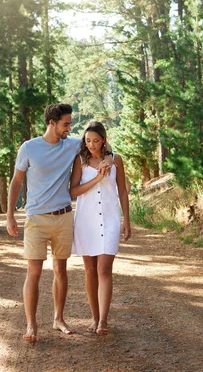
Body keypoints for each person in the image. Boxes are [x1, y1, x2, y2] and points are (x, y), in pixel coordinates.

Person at [6, 103, 112, 343]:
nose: (69, 128)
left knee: (60, 270)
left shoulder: (72, 144)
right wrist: (10, 215)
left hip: (64, 216)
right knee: (33, 272)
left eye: (70, 124)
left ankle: (58, 319)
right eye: (65, 124)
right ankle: (31, 324)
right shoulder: (29, 148)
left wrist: (108, 159)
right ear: (52, 123)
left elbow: (99, 144)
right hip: (36, 219)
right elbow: (16, 182)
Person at [70, 121, 131, 335]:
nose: (92, 145)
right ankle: (94, 318)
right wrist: (97, 178)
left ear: (104, 140)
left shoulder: (115, 160)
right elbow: (73, 191)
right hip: (86, 221)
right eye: (87, 141)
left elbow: (122, 191)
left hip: (111, 218)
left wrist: (127, 220)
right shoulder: (80, 161)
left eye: (96, 140)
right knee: (89, 271)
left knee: (104, 269)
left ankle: (103, 320)